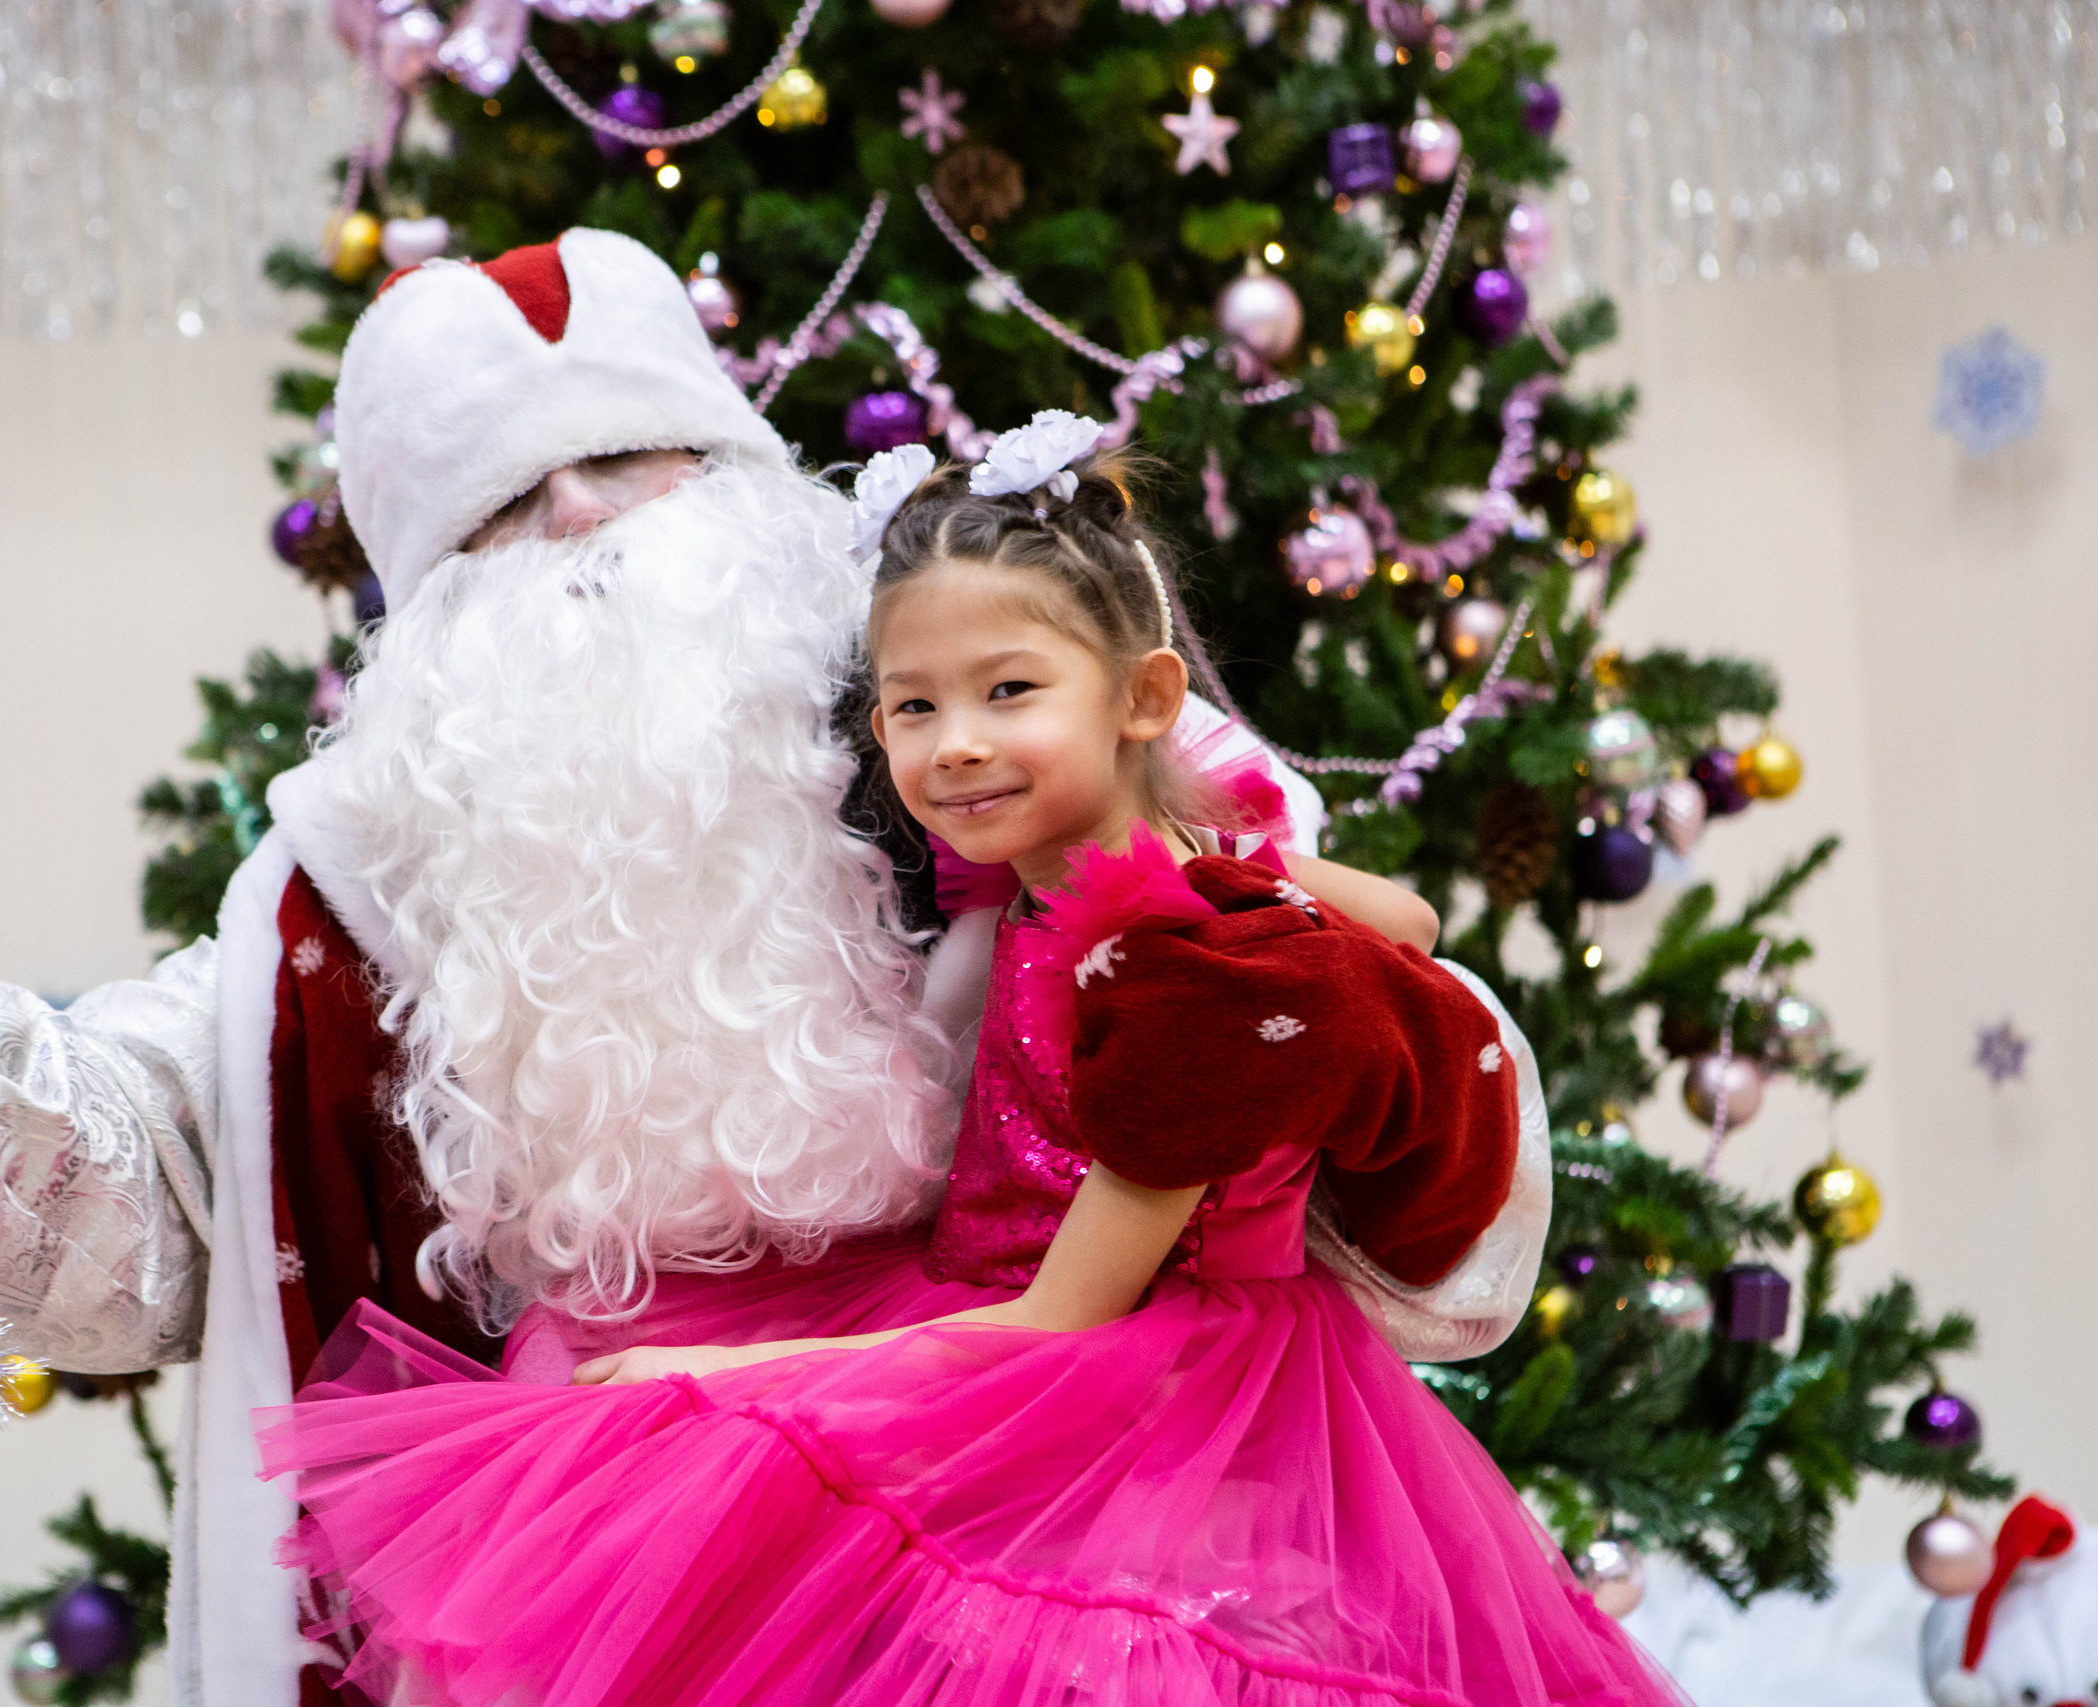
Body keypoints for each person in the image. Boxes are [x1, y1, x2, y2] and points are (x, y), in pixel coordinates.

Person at [0, 233, 1332, 1707]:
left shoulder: (997, 736)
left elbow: (1306, 1000)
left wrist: (1433, 1116)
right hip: (597, 1544)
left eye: (638, 457)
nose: (582, 517)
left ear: (743, 478)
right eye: (506, 500)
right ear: (423, 605)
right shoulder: (348, 886)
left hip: (1047, 1482)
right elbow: (126, 1206)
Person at [253, 421, 1659, 1706]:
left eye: (1009, 692)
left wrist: (735, 1384)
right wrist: (1253, 859)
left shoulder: (1191, 987)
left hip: (1151, 1393)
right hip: (1013, 1315)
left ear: (1147, 696)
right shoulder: (1103, 869)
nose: (957, 748)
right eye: (914, 708)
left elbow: (1064, 1317)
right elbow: (1408, 920)